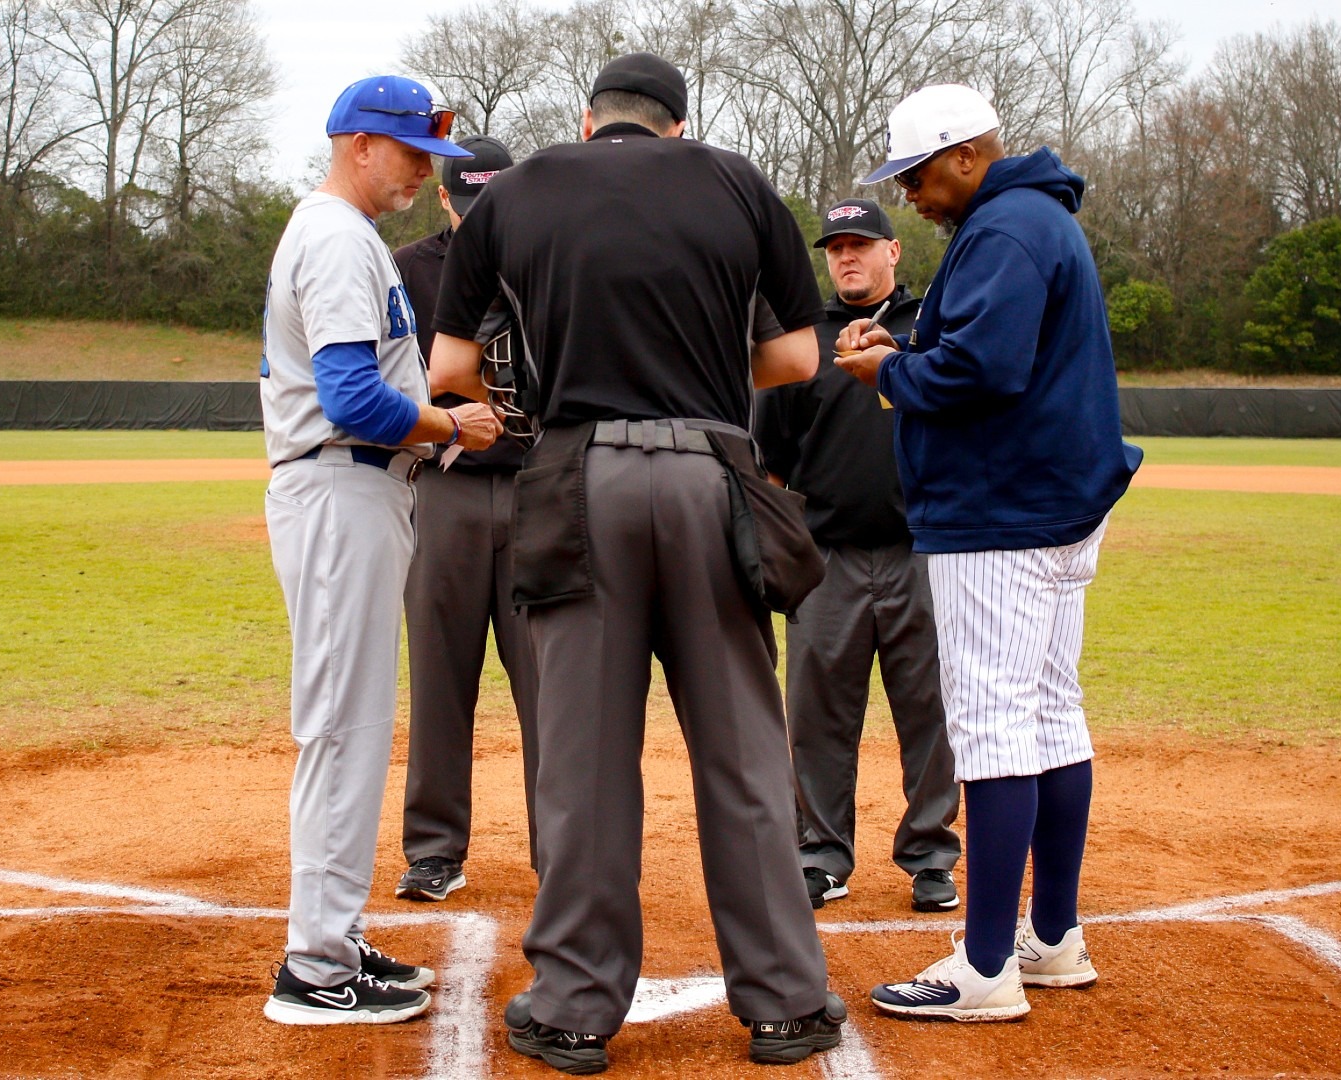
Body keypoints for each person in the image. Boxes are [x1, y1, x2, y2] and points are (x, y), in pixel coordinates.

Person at [427, 52, 845, 1073]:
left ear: (588, 120)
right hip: (713, 473)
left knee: (583, 760)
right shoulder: (737, 179)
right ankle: (788, 1001)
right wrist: (700, 362)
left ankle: (572, 1005)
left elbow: (448, 371)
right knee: (745, 753)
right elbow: (796, 359)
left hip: (578, 479)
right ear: (674, 125)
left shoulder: (516, 190)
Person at [833, 85, 1141, 1022]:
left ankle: (985, 966)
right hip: (1049, 507)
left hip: (999, 513)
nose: (913, 197)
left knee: (998, 728)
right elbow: (984, 346)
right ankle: (1050, 939)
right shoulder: (1032, 219)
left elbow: (985, 371)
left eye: (917, 175)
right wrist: (915, 341)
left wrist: (889, 370)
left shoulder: (1005, 227)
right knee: (1051, 716)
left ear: (965, 154)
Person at [257, 74, 503, 1026]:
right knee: (342, 731)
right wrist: (449, 427)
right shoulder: (331, 234)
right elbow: (354, 399)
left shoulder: (344, 234)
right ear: (360, 143)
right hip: (339, 487)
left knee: (354, 725)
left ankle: (332, 934)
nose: (420, 172)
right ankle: (314, 969)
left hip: (359, 493)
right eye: (410, 152)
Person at [755, 198, 961, 915]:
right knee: (816, 719)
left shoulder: (929, 333)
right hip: (825, 559)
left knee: (931, 713)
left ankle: (931, 854)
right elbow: (771, 463)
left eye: (861, 244)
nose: (847, 257)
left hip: (922, 553)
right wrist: (776, 558)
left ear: (893, 251)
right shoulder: (802, 342)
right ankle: (821, 854)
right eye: (836, 247)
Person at [390, 134, 540, 903]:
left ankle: (564, 848)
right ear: (447, 198)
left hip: (536, 489)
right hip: (444, 487)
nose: (484, 217)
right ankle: (434, 850)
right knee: (441, 677)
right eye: (469, 202)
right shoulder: (409, 269)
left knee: (550, 683)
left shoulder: (548, 256)